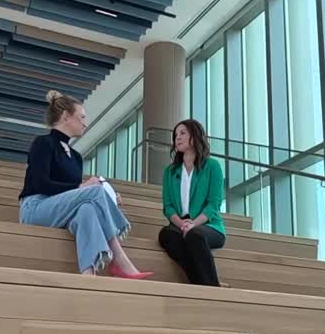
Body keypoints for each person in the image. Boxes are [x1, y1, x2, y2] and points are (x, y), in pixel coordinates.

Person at [19, 90, 152, 279]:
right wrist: (81, 188)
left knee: (87, 209)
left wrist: (108, 197)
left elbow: (72, 193)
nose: (85, 123)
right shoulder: (43, 143)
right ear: (66, 117)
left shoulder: (76, 157)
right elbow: (40, 184)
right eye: (81, 117)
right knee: (94, 191)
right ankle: (119, 257)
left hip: (61, 209)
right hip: (35, 207)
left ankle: (88, 274)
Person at [158, 119, 226, 286]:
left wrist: (193, 224)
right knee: (166, 235)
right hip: (180, 225)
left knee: (194, 235)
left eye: (182, 133)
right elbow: (168, 207)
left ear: (195, 137)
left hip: (208, 225)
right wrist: (182, 224)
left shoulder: (212, 166)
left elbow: (214, 204)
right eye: (176, 135)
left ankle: (212, 288)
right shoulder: (170, 172)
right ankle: (204, 283)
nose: (177, 138)